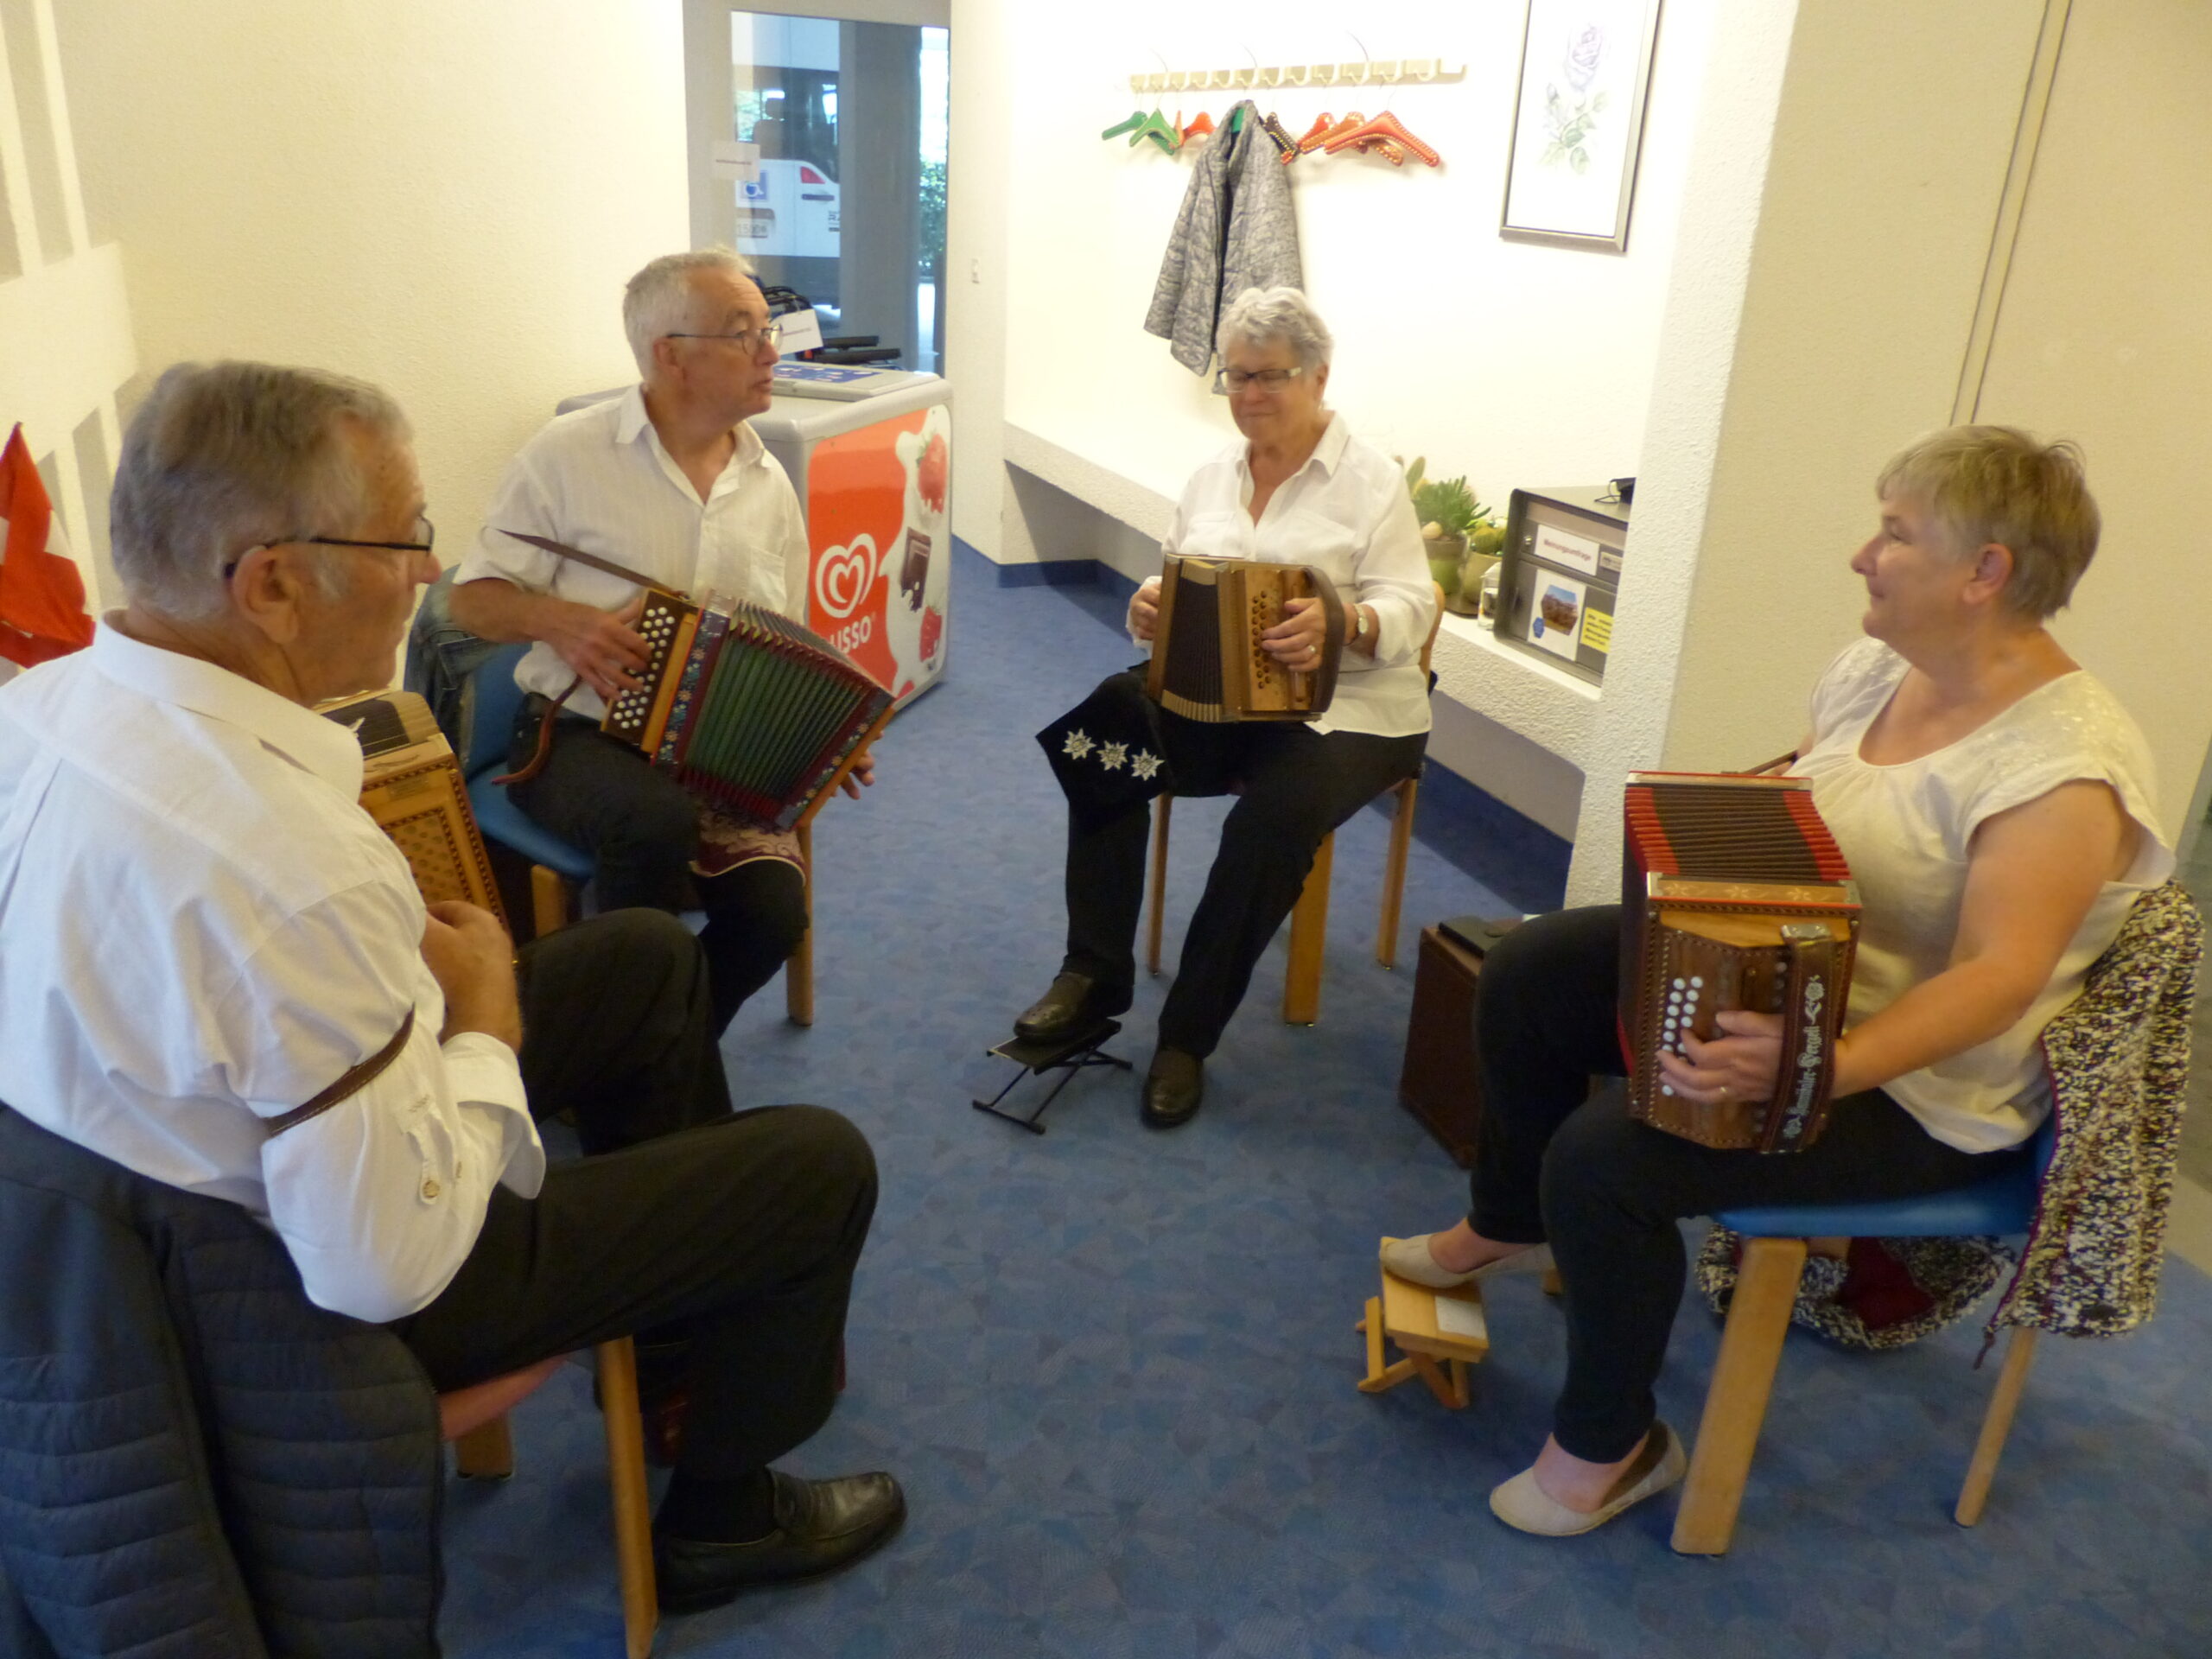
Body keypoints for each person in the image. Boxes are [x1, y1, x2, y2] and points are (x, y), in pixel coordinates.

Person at [0, 362, 905, 1611]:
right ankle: (724, 1521)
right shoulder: (289, 861)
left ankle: (684, 1344)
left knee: (646, 958)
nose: (428, 571)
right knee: (817, 1164)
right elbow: (385, 1264)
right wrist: (481, 1023)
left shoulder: (39, 704)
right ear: (271, 584)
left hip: (120, 1222)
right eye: (405, 538)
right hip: (296, 1293)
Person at [1383, 426, 2172, 1536]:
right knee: (1530, 972)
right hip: (1809, 998)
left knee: (1605, 1161)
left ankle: (1613, 1447)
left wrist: (1814, 1068)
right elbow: (1812, 809)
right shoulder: (1878, 669)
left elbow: (1999, 980)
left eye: (1895, 535)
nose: (1862, 555)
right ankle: (1511, 1222)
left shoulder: (2061, 769)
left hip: (1919, 1090)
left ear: (1983, 571)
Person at [1014, 287, 1436, 1128]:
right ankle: (1092, 974)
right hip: (1217, 707)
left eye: (1268, 376)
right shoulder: (1212, 475)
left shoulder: (1370, 482)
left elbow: (1414, 606)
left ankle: (1186, 1037)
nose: (1248, 394)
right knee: (1107, 727)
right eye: (1235, 376)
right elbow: (1181, 573)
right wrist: (1149, 602)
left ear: (1319, 376)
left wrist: (1345, 621)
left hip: (1344, 714)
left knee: (1274, 820)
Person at [449, 246, 871, 1036]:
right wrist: (559, 620)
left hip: (717, 753)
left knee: (775, 913)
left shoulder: (768, 481)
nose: (771, 352)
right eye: (744, 332)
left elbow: (790, 641)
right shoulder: (565, 454)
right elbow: (470, 601)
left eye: (768, 329)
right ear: (670, 355)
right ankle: (633, 1055)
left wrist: (827, 738)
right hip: (573, 736)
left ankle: (653, 1050)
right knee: (651, 824)